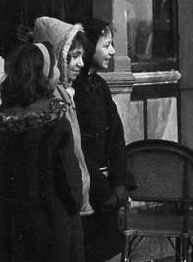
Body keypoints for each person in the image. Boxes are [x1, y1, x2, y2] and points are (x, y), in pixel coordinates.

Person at [0, 41, 85, 261]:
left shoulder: (3, 127)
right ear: (45, 74)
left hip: (13, 232)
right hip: (54, 231)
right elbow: (70, 185)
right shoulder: (55, 124)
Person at [74, 17, 135, 262]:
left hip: (107, 191)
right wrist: (102, 190)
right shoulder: (72, 90)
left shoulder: (99, 85)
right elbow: (76, 146)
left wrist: (120, 182)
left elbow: (116, 137)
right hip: (89, 190)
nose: (112, 51)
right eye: (106, 45)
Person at [32, 16, 94, 219]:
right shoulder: (54, 99)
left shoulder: (66, 93)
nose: (81, 63)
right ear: (59, 55)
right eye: (74, 56)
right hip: (61, 206)